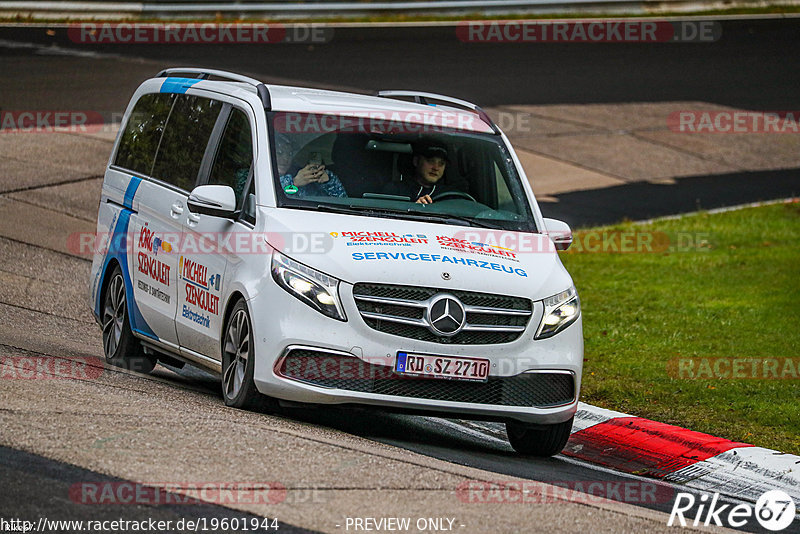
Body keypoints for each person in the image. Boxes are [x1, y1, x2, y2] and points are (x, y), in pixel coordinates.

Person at [383, 140, 455, 204]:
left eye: (441, 163)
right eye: (430, 161)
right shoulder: (395, 191)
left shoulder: (450, 196)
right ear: (416, 161)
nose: (436, 168)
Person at [275, 139, 347, 198]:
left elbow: (341, 202)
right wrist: (293, 183)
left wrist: (329, 183)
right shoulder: (264, 177)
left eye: (290, 154)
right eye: (279, 153)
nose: (286, 159)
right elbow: (273, 197)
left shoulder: (307, 182)